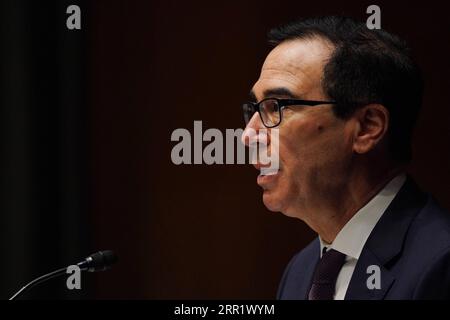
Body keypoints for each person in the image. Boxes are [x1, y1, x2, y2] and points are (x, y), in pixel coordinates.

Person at [241, 16, 450, 299]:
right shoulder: (301, 270)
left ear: (367, 127)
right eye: (254, 109)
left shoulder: (440, 264)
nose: (248, 135)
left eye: (276, 106)